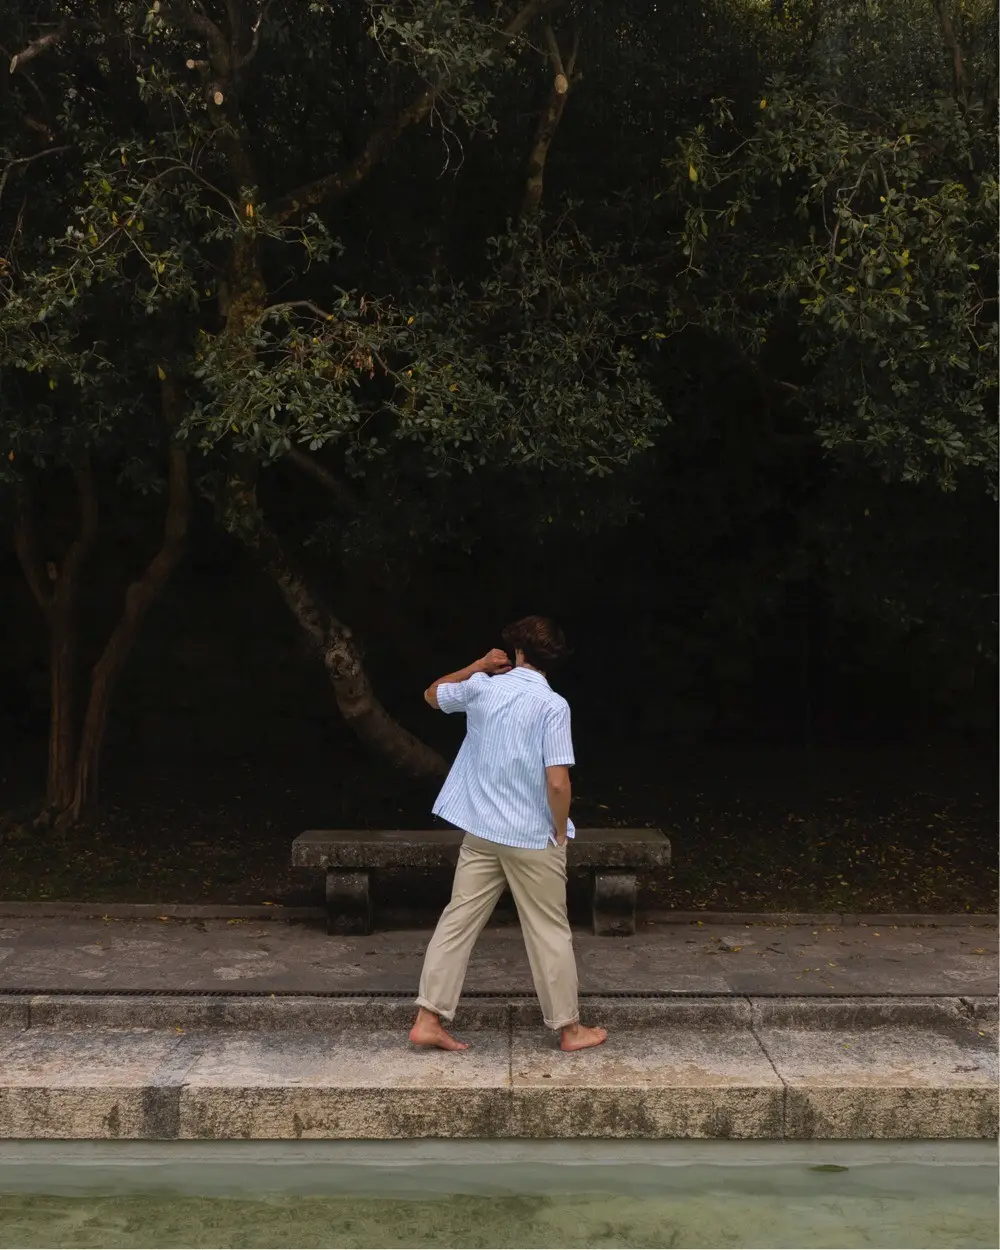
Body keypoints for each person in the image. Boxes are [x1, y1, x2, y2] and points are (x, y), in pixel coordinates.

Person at [409, 615, 607, 1053]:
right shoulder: (553, 706)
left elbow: (432, 694)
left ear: (517, 652)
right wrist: (559, 830)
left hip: (481, 830)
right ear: (550, 659)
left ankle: (428, 1018)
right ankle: (569, 1029)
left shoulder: (482, 686)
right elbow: (557, 782)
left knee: (458, 920)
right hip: (532, 836)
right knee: (549, 930)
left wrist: (476, 665)